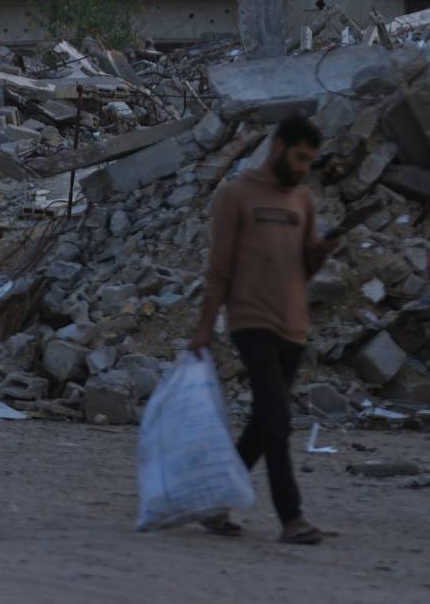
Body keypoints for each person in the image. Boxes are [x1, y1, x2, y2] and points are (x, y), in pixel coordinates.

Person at [189, 114, 338, 545]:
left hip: (293, 327)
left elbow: (303, 268)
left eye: (309, 160)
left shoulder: (303, 200)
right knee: (276, 419)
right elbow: (219, 269)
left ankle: (215, 503)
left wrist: (322, 253)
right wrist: (204, 329)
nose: (303, 168)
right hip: (250, 321)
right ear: (278, 148)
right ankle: (292, 517)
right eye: (299, 157)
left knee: (263, 422)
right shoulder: (236, 195)